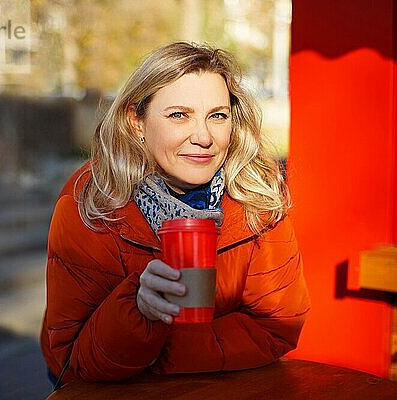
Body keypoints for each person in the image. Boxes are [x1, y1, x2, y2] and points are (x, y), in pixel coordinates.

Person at [40, 42, 310, 386]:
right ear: (136, 121)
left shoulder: (257, 196)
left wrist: (160, 352)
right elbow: (72, 359)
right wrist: (138, 310)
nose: (203, 137)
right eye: (178, 115)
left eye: (218, 115)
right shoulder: (91, 201)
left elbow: (278, 325)